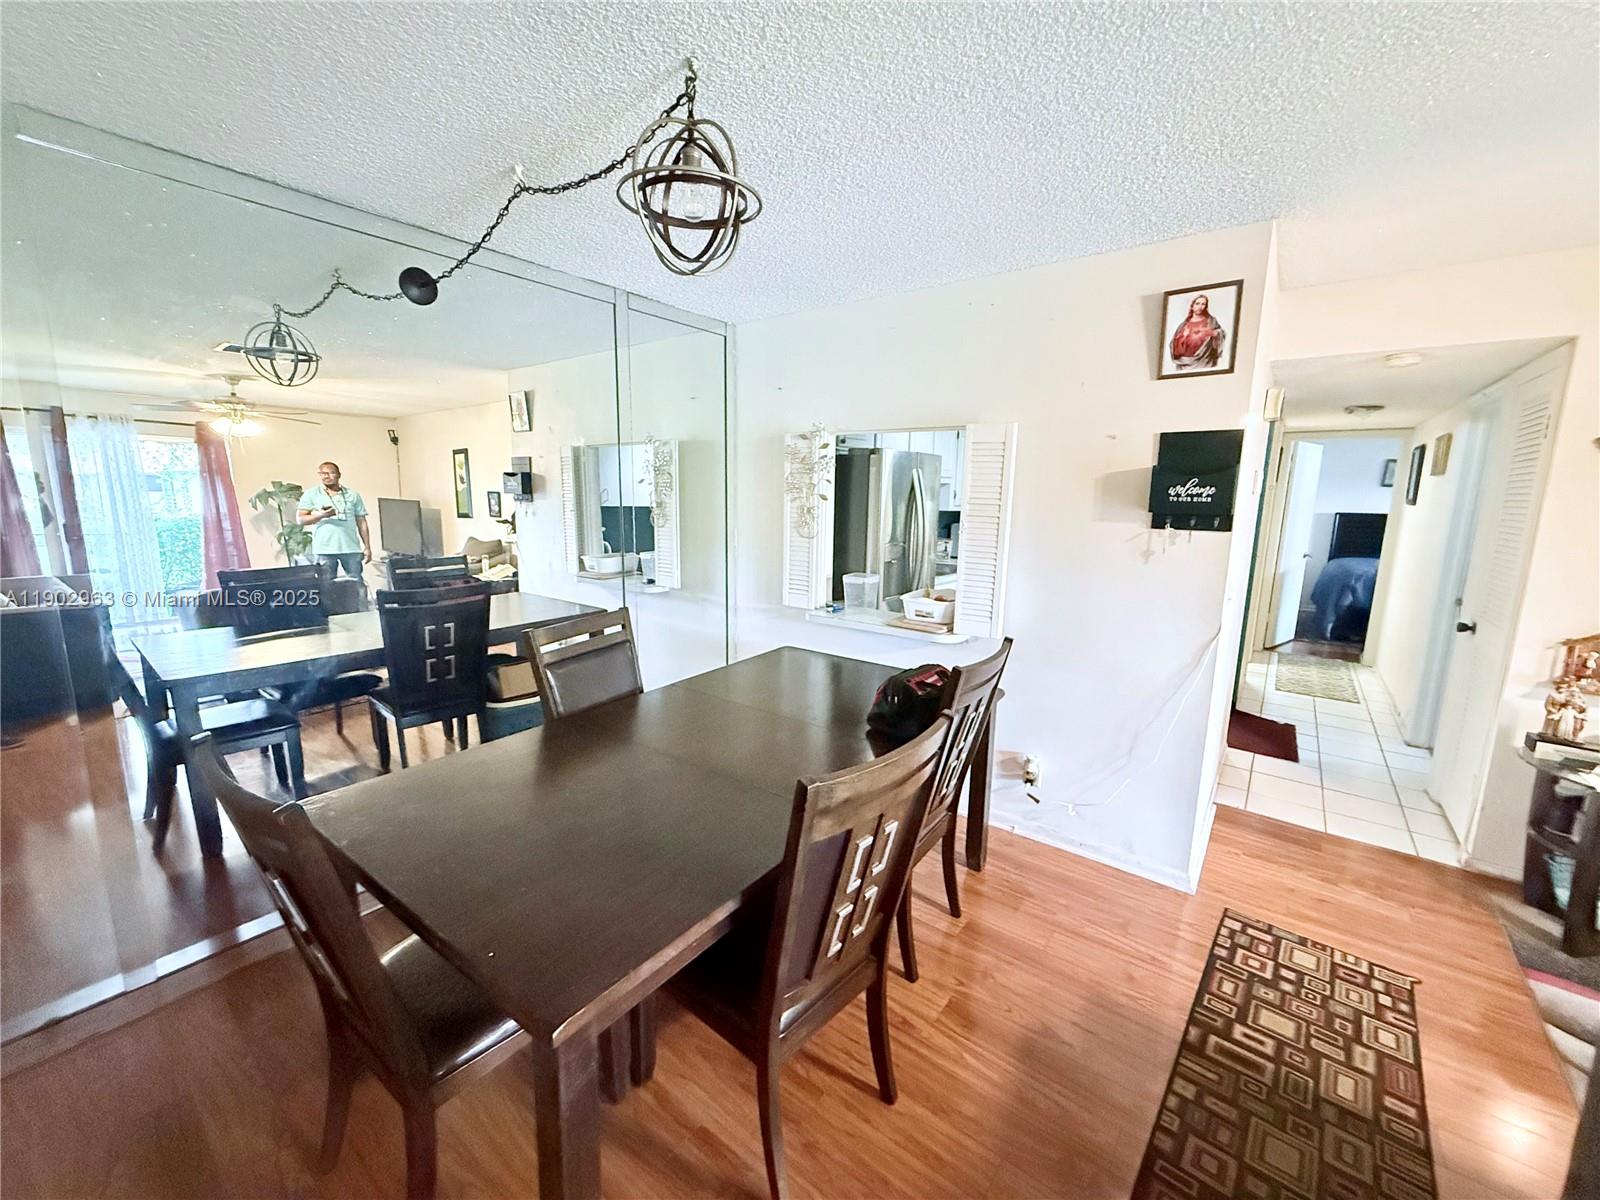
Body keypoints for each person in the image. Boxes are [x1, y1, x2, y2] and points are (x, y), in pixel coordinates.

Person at [296, 461, 372, 588]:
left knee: (357, 582)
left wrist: (367, 547)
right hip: (324, 548)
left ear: (338, 475)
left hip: (350, 547)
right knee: (326, 585)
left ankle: (360, 607)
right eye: (323, 473)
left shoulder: (352, 494)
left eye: (330, 473)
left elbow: (361, 521)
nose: (326, 476)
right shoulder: (311, 494)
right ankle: (330, 609)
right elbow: (300, 520)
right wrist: (321, 515)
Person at [1168, 293, 1226, 370]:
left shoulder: (1211, 321)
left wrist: (1215, 333)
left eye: (1203, 304)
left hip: (1205, 361)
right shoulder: (1184, 325)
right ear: (1192, 306)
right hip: (1185, 363)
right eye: (1197, 303)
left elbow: (1220, 334)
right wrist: (1183, 336)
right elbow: (1174, 345)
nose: (1200, 307)